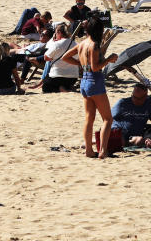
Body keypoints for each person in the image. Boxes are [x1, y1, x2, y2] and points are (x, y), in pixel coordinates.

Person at [62, 17, 119, 158]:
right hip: (95, 81)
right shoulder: (94, 45)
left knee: (89, 118)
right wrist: (109, 59)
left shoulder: (82, 44)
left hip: (84, 82)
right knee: (107, 119)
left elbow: (65, 57)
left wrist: (81, 65)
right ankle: (103, 151)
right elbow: (95, 67)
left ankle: (88, 150)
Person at [40, 25, 78, 93]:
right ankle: (66, 87)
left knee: (45, 87)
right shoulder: (75, 44)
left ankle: (60, 88)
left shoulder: (57, 44)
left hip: (58, 75)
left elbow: (46, 58)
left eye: (55, 33)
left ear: (59, 33)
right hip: (73, 76)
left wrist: (54, 43)